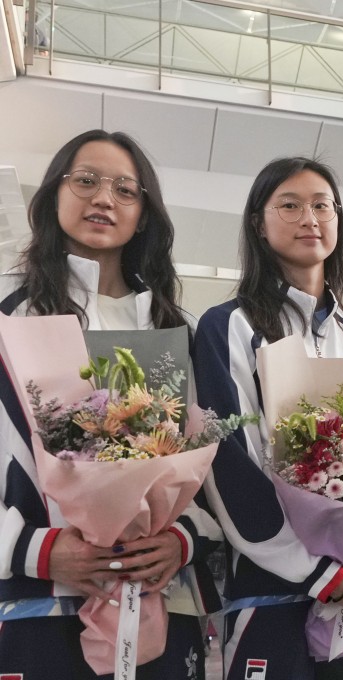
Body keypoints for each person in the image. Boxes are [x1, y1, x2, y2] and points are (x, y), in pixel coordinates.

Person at [0, 129, 219, 677]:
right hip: (38, 603)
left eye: (126, 189)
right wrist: (34, 548)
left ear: (144, 214)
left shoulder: (178, 328)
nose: (104, 198)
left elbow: (219, 464)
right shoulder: (9, 316)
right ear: (54, 194)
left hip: (161, 602)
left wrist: (181, 541)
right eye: (86, 181)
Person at [193, 157, 343, 680]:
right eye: (289, 205)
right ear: (258, 224)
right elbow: (230, 467)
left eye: (321, 205)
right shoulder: (230, 328)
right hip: (272, 590)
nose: (309, 216)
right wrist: (322, 576)